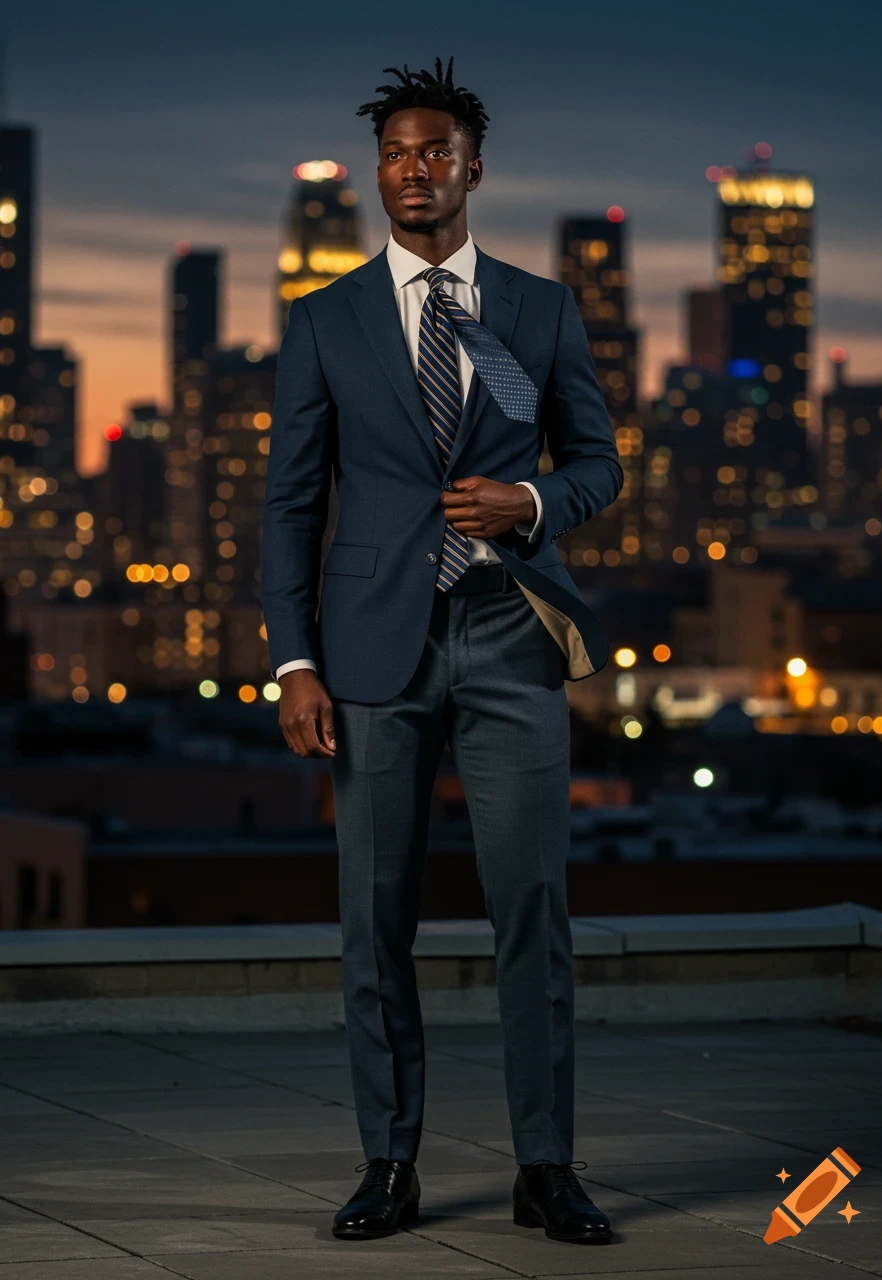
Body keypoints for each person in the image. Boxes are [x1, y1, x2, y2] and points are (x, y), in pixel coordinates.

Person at [261, 55, 622, 1246]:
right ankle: (388, 1160)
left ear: (473, 168)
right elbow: (289, 507)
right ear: (381, 172)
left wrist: (528, 503)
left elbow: (594, 465)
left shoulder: (535, 309)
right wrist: (293, 661)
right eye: (395, 153)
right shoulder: (324, 321)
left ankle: (547, 1165)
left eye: (434, 152)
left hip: (509, 636)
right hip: (371, 652)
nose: (411, 169)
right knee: (374, 917)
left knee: (532, 905)